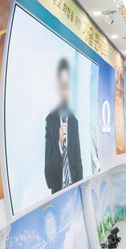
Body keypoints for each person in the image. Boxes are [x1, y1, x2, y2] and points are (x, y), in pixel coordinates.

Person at [44, 58, 82, 194]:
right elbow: (48, 175)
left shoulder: (74, 121)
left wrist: (81, 187)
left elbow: (77, 160)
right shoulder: (50, 120)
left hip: (74, 187)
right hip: (58, 190)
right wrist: (59, 145)